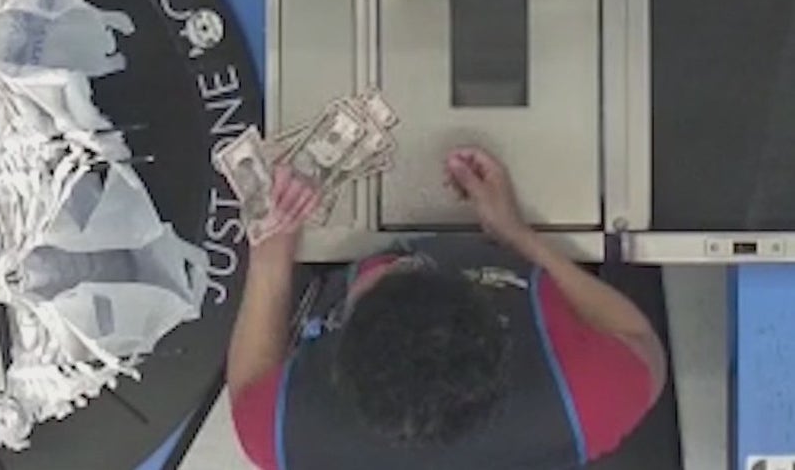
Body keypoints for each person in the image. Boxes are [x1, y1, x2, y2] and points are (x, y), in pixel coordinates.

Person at [227, 147, 667, 470]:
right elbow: (640, 339)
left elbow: (249, 383)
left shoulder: (290, 432)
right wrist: (521, 237)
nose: (394, 261)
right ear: (493, 320)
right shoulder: (584, 397)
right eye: (413, 268)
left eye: (379, 281)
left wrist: (270, 258)